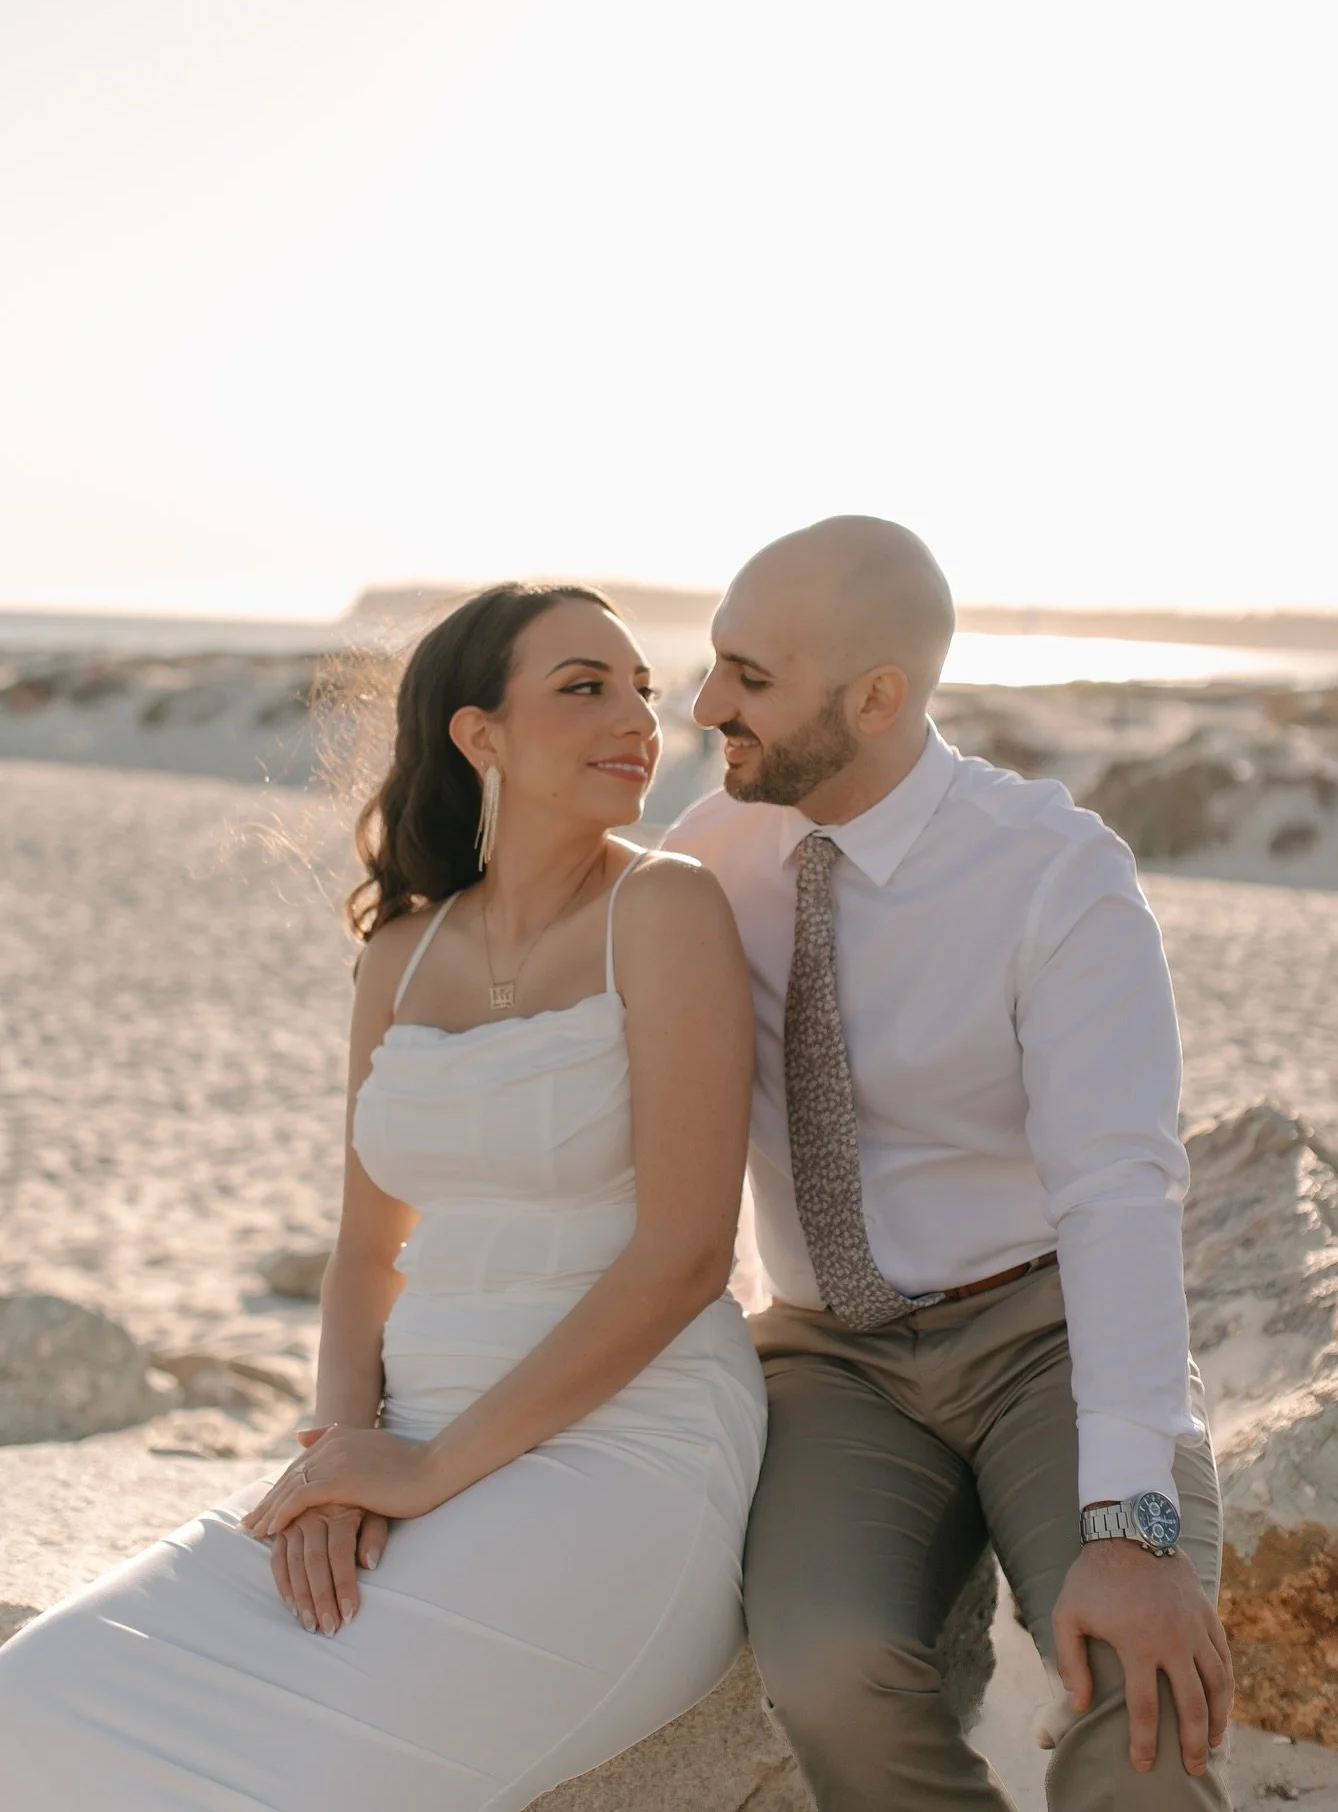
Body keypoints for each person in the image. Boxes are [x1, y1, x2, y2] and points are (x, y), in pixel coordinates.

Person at [0, 583, 767, 1811]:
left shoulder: (667, 909)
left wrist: (423, 1473)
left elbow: (684, 1258)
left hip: (624, 1446)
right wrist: (339, 1461)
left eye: (640, 687)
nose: (638, 718)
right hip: (402, 1430)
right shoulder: (401, 958)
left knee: (303, 1781)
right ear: (480, 734)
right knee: (33, 1702)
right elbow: (366, 1255)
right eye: (585, 688)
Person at [663, 516, 1234, 1811]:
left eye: (751, 677)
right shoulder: (705, 862)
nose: (706, 705)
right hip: (832, 1361)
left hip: (1047, 1336)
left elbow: (1118, 1192)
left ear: (878, 699)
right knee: (828, 1673)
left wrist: (1132, 1527)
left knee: (1136, 1692)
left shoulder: (1055, 877)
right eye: (714, 661)